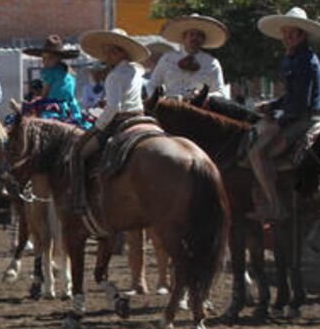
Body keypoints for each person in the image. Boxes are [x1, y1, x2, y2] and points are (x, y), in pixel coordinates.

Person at [248, 7, 320, 221]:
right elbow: (291, 96)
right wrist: (273, 105)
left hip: (307, 118)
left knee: (257, 153)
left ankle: (276, 206)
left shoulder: (305, 60)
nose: (287, 38)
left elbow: (301, 103)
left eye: (292, 34)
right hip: (297, 114)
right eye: (285, 33)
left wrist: (280, 121)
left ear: (302, 35)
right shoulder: (291, 58)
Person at [68, 28, 151, 215]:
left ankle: (78, 200)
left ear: (121, 52)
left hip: (120, 121)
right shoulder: (136, 70)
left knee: (78, 151)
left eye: (111, 51)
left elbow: (114, 108)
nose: (106, 55)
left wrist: (97, 127)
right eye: (107, 51)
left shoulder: (114, 76)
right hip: (141, 117)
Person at [146, 14, 228, 99]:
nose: (195, 38)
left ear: (203, 40)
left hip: (197, 109)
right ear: (184, 37)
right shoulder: (167, 59)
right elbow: (152, 85)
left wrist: (202, 96)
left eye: (199, 35)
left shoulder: (211, 63)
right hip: (169, 108)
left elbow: (220, 92)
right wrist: (158, 101)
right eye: (191, 34)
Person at [22, 35, 85, 126]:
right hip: (71, 108)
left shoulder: (49, 73)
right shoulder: (68, 72)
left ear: (58, 58)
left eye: (50, 58)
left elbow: (45, 94)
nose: (45, 61)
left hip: (54, 108)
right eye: (43, 58)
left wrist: (36, 101)